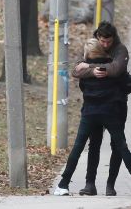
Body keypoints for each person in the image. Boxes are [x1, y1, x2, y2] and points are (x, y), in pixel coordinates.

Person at [54, 35, 131, 196]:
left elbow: (82, 85)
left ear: (88, 54)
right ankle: (103, 186)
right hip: (111, 113)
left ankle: (63, 184)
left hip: (90, 114)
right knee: (121, 147)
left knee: (79, 147)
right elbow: (126, 85)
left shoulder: (84, 70)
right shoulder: (113, 69)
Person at [72, 21, 129, 196]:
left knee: (117, 145)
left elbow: (115, 69)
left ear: (113, 39)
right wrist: (90, 70)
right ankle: (90, 184)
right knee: (94, 144)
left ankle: (110, 185)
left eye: (108, 42)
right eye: (102, 41)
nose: (104, 45)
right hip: (94, 105)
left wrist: (89, 67)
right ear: (97, 37)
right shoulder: (92, 45)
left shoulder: (120, 50)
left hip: (116, 104)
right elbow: (76, 70)